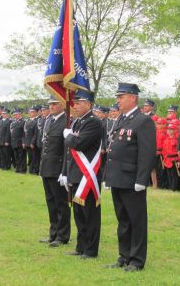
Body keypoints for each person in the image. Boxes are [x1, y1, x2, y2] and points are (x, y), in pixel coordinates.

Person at [104, 83, 156, 272]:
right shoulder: (119, 119)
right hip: (117, 178)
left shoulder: (143, 121)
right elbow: (112, 151)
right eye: (118, 96)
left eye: (121, 96)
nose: (118, 100)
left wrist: (142, 180)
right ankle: (123, 256)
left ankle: (136, 260)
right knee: (123, 220)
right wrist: (107, 177)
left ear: (133, 97)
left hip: (132, 180)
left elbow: (147, 153)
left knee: (137, 221)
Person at [62, 89, 102, 259]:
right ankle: (81, 246)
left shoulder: (93, 122)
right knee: (78, 213)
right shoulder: (78, 122)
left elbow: (79, 143)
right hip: (76, 174)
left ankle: (91, 250)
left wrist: (68, 136)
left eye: (78, 103)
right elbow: (70, 152)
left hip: (88, 176)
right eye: (74, 103)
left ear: (88, 104)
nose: (74, 106)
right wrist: (65, 172)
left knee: (90, 214)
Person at [39, 96, 71, 247]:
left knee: (61, 203)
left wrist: (64, 171)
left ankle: (62, 235)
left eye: (54, 104)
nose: (51, 107)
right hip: (46, 167)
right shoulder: (49, 120)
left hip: (57, 168)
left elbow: (67, 150)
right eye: (50, 104)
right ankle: (53, 233)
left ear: (63, 105)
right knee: (50, 202)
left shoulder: (66, 121)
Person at [10, 108, 27, 173]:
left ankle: (22, 169)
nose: (15, 116)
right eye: (14, 115)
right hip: (14, 142)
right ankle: (18, 168)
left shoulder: (23, 122)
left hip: (20, 142)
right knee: (16, 157)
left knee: (22, 157)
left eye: (16, 114)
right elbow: (11, 132)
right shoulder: (13, 122)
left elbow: (24, 133)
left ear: (20, 114)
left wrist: (23, 142)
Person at [24, 106, 39, 174]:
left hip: (33, 143)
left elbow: (36, 133)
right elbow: (25, 132)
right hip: (27, 142)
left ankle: (34, 170)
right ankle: (30, 170)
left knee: (35, 157)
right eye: (29, 112)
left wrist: (32, 143)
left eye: (32, 112)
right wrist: (24, 142)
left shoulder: (37, 121)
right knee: (30, 157)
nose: (30, 113)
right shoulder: (28, 121)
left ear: (36, 113)